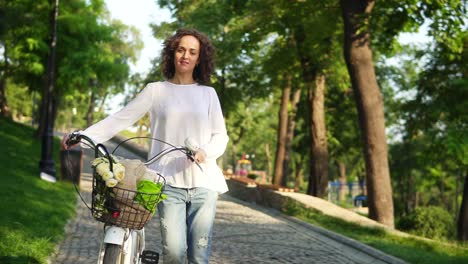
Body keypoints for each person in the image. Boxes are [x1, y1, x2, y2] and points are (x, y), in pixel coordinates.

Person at [62, 28, 229, 264]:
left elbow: (220, 136)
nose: (186, 55)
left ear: (199, 58)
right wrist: (83, 135)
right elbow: (121, 118)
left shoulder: (208, 94)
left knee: (199, 255)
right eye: (181, 49)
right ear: (173, 53)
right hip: (168, 182)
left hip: (204, 183)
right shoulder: (156, 91)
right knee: (174, 251)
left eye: (193, 52)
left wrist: (204, 152)